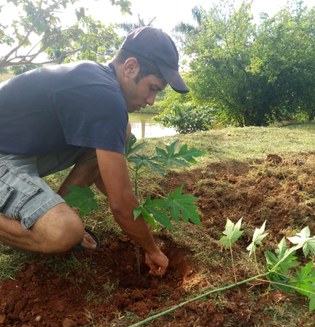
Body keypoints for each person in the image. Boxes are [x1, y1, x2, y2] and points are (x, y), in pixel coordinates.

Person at [0, 26, 189, 276]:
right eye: (152, 88)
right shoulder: (105, 97)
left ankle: (52, 210)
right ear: (130, 67)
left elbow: (107, 178)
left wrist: (136, 219)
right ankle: (46, 225)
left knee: (123, 131)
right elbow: (120, 202)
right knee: (64, 231)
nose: (151, 100)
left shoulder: (98, 81)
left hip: (19, 148)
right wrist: (151, 248)